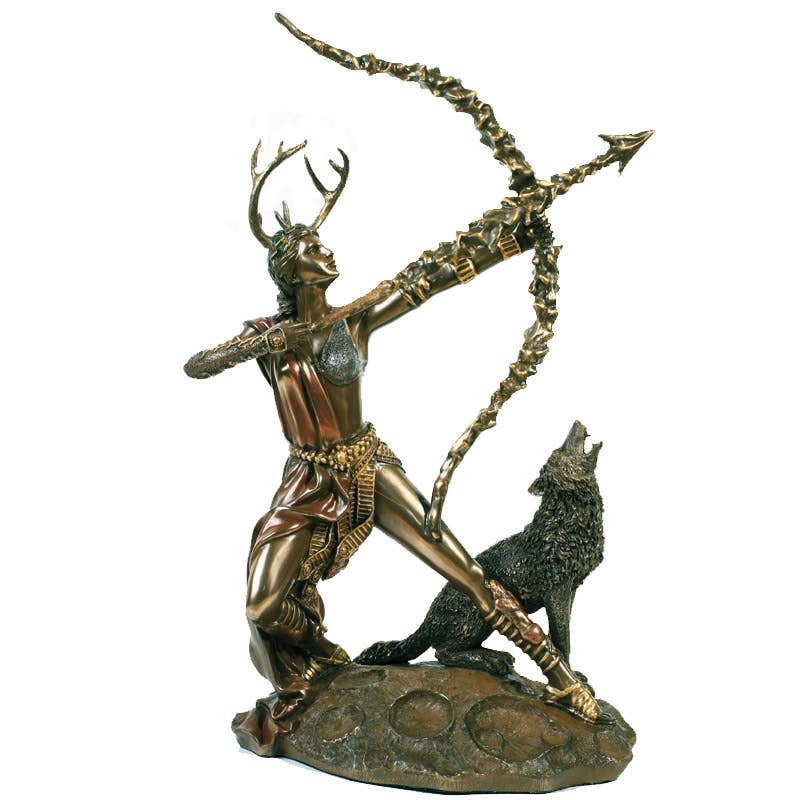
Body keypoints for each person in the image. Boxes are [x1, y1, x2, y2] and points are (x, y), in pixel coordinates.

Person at [184, 141, 606, 745]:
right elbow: (197, 366)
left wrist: (515, 240)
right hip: (306, 479)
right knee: (262, 606)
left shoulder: (354, 319)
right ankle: (317, 659)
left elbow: (428, 280)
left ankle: (561, 677)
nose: (326, 250)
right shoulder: (268, 335)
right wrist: (261, 344)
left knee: (464, 569)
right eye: (312, 248)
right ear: (290, 270)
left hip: (367, 467)